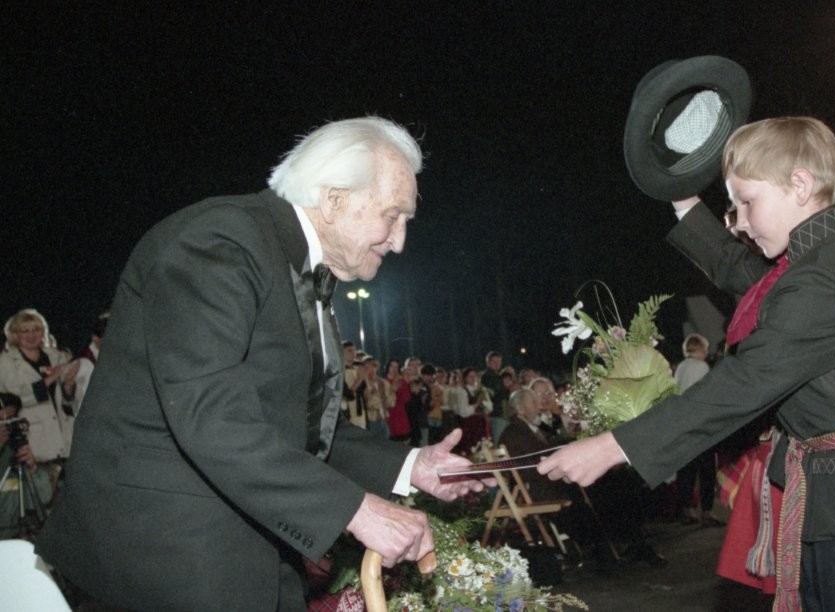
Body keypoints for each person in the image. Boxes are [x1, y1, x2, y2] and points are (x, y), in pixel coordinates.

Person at [35, 117, 488, 611]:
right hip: (164, 556)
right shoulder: (218, 242)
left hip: (244, 547)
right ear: (334, 200)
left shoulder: (296, 265)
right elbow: (212, 416)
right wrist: (355, 510)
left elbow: (294, 424)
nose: (399, 240)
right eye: (393, 215)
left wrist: (410, 464)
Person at [539, 117, 835, 611]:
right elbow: (747, 274)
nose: (738, 221)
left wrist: (614, 446)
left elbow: (743, 382)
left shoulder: (821, 277)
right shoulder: (824, 252)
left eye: (747, 202)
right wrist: (682, 198)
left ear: (799, 185)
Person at [0, 309, 79, 490]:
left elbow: (67, 400)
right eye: (25, 330)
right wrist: (50, 379)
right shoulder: (6, 362)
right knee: (42, 496)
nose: (31, 335)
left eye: (36, 329)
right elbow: (18, 398)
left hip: (63, 440)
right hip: (34, 445)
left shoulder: (56, 356)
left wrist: (68, 386)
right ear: (15, 334)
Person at [672, 334, 723, 528]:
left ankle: (686, 510)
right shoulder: (701, 367)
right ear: (698, 348)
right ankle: (707, 511)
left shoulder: (681, 367)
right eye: (705, 348)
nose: (707, 352)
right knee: (707, 471)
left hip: (683, 425)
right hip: (700, 425)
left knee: (686, 471)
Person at [0, 392, 54, 539]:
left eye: (9, 420)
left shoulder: (15, 453)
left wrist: (32, 468)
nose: (4, 427)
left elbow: (42, 499)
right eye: (0, 421)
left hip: (12, 538)